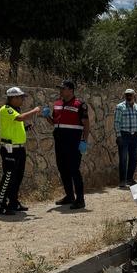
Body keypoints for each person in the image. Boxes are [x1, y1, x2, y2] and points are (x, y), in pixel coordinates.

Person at [0, 87, 40, 215]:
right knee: (8, 177)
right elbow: (20, 118)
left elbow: (14, 127)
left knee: (18, 178)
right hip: (10, 150)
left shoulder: (15, 110)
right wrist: (35, 110)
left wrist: (26, 129)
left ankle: (13, 203)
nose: (22, 100)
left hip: (19, 149)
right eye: (21, 98)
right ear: (13, 98)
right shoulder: (6, 110)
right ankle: (0, 205)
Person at [45, 80, 90, 209]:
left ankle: (80, 199)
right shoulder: (57, 104)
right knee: (62, 169)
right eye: (60, 89)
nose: (61, 91)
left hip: (73, 142)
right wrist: (47, 116)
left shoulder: (80, 105)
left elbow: (86, 124)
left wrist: (84, 141)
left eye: (63, 89)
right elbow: (54, 123)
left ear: (71, 90)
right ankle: (70, 196)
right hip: (59, 142)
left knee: (74, 170)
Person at [114, 89, 137, 188]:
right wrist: (118, 136)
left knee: (134, 158)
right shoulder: (120, 107)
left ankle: (130, 179)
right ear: (125, 95)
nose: (128, 96)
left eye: (130, 95)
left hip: (134, 135)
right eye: (127, 95)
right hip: (124, 135)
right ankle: (122, 181)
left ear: (134, 95)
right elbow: (117, 122)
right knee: (123, 159)